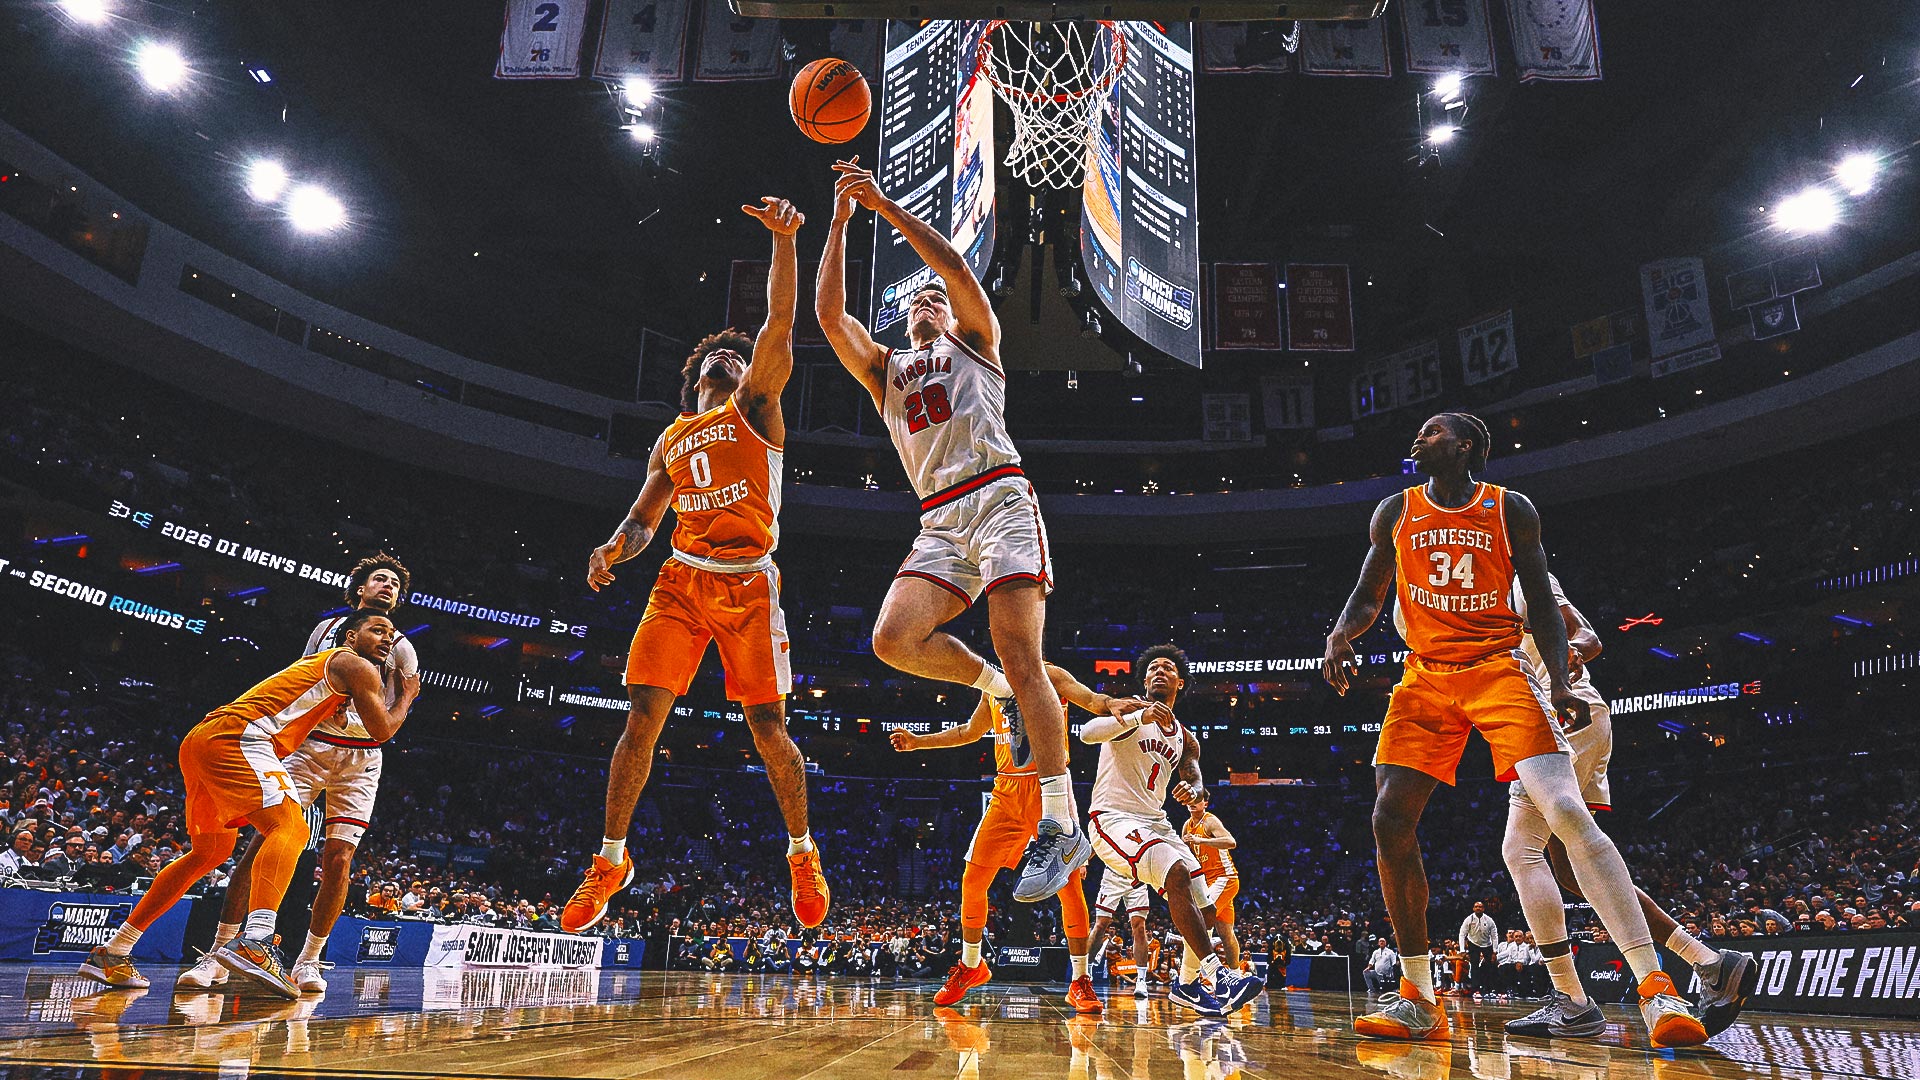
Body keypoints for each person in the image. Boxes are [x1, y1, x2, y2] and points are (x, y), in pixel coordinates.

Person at [1323, 412, 1704, 1047]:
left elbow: (1548, 610)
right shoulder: (1396, 510)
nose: (1419, 438)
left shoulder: (1510, 510)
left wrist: (1559, 682)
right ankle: (1418, 997)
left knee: (1565, 811)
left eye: (1433, 431)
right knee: (1389, 819)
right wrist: (1340, 634)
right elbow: (1368, 594)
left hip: (1499, 669)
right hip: (1426, 675)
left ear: (1466, 446)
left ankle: (1656, 989)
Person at [817, 158, 1086, 905]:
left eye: (934, 297)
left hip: (998, 497)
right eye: (918, 300)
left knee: (1021, 651)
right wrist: (839, 223)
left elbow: (956, 268)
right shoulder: (886, 368)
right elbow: (831, 320)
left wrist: (885, 207)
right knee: (893, 640)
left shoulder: (975, 340)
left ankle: (1060, 821)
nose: (927, 301)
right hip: (938, 518)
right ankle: (995, 689)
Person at [562, 196, 830, 936]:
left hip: (749, 582)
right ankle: (610, 859)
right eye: (718, 356)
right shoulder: (671, 439)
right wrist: (612, 548)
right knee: (641, 717)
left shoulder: (757, 408)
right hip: (679, 580)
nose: (729, 358)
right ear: (696, 374)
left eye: (738, 357)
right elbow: (644, 520)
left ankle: (801, 852)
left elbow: (779, 324)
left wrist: (784, 243)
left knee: (768, 726)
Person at [78, 609, 410, 998]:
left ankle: (115, 950)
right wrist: (406, 695)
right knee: (291, 828)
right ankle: (256, 941)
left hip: (203, 738)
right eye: (377, 629)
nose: (387, 638)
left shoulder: (330, 669)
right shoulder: (357, 665)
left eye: (391, 633)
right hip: (242, 737)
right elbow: (381, 730)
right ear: (350, 637)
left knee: (209, 853)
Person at [1500, 572, 1757, 1038]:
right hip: (1575, 719)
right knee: (1571, 871)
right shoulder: (1473, 586)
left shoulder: (1521, 579)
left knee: (1522, 849)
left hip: (1560, 716)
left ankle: (1577, 999)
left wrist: (1571, 652)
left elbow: (1588, 637)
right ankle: (1709, 962)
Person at [181, 554, 420, 994]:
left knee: (338, 859)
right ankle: (219, 953)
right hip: (311, 745)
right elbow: (305, 679)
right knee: (263, 842)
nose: (388, 586)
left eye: (395, 584)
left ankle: (309, 960)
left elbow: (391, 716)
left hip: (361, 756)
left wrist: (393, 701)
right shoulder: (326, 630)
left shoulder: (402, 647)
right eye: (380, 579)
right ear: (360, 589)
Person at [892, 689, 1137, 1013]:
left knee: (1070, 886)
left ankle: (1080, 980)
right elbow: (969, 732)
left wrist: (1113, 703)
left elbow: (1091, 700)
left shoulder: (1049, 676)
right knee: (972, 881)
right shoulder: (992, 687)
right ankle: (971, 965)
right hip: (1006, 791)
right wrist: (919, 742)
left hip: (1049, 789)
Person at [1058, 647, 1264, 1017]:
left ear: (1179, 682)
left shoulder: (1185, 738)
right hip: (1113, 818)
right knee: (1177, 872)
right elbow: (1087, 734)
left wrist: (1194, 791)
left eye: (1167, 667)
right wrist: (1137, 716)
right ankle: (1217, 975)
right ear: (1144, 679)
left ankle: (1186, 986)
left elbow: (1195, 777)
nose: (1159, 671)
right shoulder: (1128, 707)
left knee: (1207, 907)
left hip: (1156, 823)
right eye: (1153, 667)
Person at [1182, 791, 1243, 969]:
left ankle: (1203, 973)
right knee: (1226, 933)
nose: (1192, 802)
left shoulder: (1210, 821)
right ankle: (1236, 975)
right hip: (1207, 881)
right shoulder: (1187, 825)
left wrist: (1201, 840)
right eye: (1190, 799)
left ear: (1205, 804)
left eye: (1197, 800)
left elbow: (1231, 842)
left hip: (1224, 878)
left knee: (1201, 919)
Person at [1088, 867, 1154, 998]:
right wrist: (1084, 863)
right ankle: (1086, 972)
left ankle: (1141, 980)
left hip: (1137, 875)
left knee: (1140, 927)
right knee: (1101, 925)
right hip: (1113, 874)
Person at [1458, 901, 1496, 994]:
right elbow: (1462, 934)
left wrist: (1495, 951)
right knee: (1474, 966)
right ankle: (1475, 989)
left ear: (1483, 909)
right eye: (1476, 906)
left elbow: (1494, 936)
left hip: (1487, 944)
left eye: (1480, 907)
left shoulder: (1489, 920)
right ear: (1473, 909)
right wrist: (1462, 950)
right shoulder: (1468, 919)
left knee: (1490, 966)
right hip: (1473, 943)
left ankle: (1490, 989)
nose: (1478, 908)